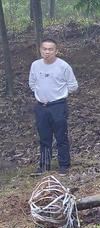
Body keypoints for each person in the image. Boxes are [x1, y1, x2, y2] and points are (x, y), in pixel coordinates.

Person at [28, 38, 78, 175]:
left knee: (61, 137)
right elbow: (32, 83)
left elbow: (73, 85)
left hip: (58, 106)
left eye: (50, 49)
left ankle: (64, 166)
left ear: (56, 51)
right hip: (41, 107)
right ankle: (44, 166)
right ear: (40, 50)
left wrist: (60, 93)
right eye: (44, 49)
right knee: (44, 137)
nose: (47, 52)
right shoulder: (35, 65)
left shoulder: (63, 66)